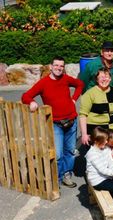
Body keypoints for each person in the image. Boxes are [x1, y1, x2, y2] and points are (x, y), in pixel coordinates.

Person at [21, 56, 83, 188]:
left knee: (70, 151)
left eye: (61, 66)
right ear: (50, 66)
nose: (59, 68)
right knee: (58, 154)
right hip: (56, 124)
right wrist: (31, 102)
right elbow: (26, 95)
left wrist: (74, 99)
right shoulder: (43, 83)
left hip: (71, 120)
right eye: (56, 65)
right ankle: (58, 179)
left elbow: (80, 84)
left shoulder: (66, 79)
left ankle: (67, 175)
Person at [85, 127, 113, 205]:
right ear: (96, 141)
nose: (106, 142)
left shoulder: (106, 149)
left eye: (106, 139)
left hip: (107, 177)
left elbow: (111, 163)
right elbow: (103, 170)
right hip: (98, 181)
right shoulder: (92, 154)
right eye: (104, 140)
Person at [79, 68, 113, 146]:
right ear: (97, 79)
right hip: (97, 132)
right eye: (101, 77)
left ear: (110, 79)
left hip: (112, 131)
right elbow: (83, 115)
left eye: (107, 77)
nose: (104, 79)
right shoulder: (90, 93)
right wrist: (84, 134)